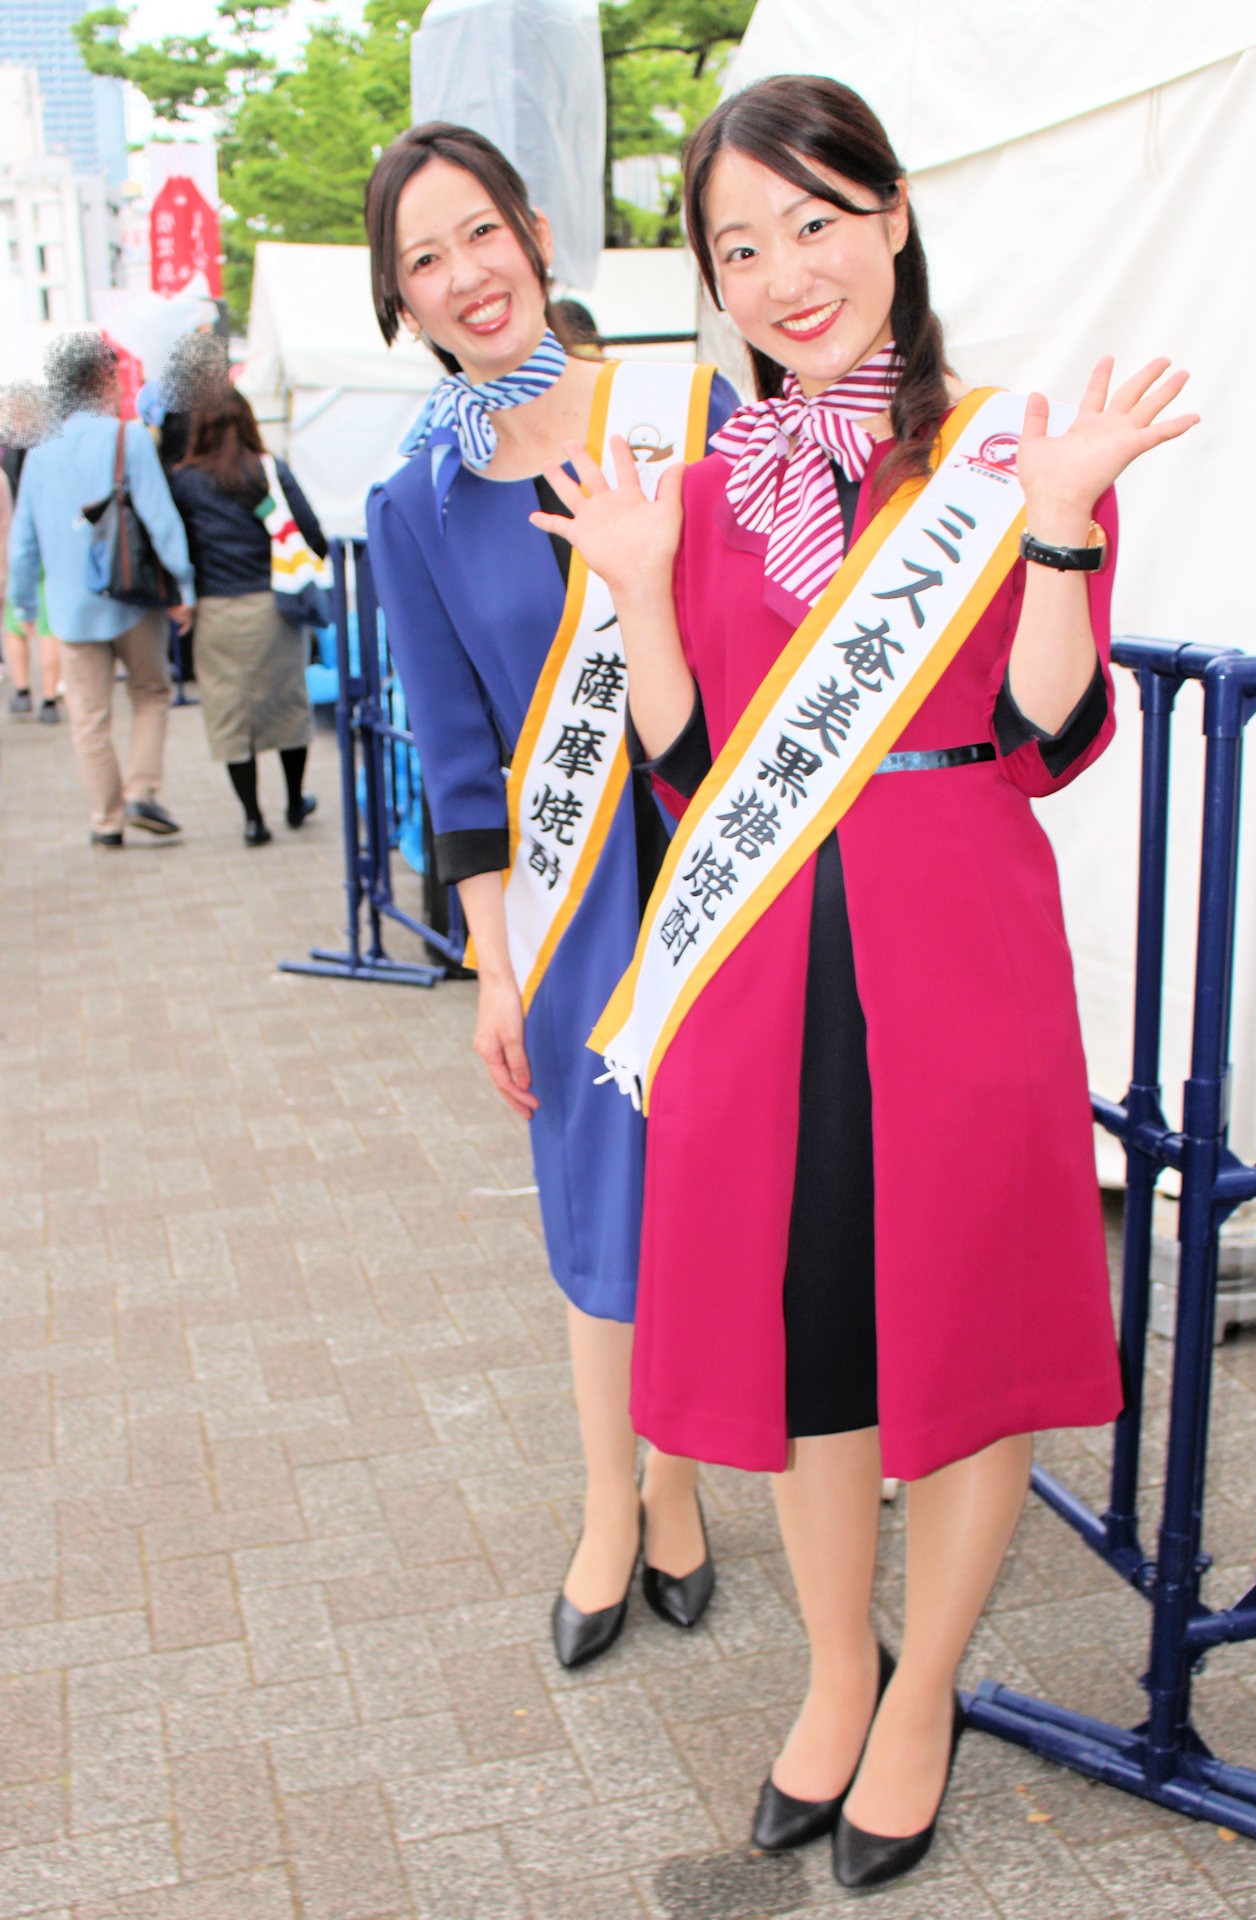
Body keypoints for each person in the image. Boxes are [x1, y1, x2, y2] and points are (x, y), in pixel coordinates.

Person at [533, 75, 1197, 1888]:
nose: (780, 274)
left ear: (893, 215)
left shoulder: (999, 451)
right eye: (736, 248)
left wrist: (1060, 531)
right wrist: (648, 593)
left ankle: (930, 1701)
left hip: (957, 938)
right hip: (766, 962)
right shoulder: (714, 484)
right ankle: (842, 1674)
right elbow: (686, 774)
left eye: (813, 223)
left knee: (959, 1345)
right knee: (811, 1329)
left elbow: (1053, 731)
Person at [362, 123, 737, 1668]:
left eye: (479, 234)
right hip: (574, 902)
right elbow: (459, 768)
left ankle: (684, 1478)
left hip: (717, 860)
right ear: (405, 303)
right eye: (424, 262)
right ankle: (610, 1500)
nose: (466, 276)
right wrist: (494, 968)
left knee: (714, 1186)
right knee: (598, 1206)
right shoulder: (416, 503)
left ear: (534, 233)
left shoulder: (678, 413)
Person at [6, 335, 193, 845]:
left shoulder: (40, 451)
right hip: (133, 600)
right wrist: (185, 586)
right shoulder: (127, 438)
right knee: (152, 693)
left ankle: (106, 823)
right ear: (103, 381)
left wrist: (22, 603)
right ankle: (141, 790)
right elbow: (160, 519)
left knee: (88, 720)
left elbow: (22, 542)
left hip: (69, 610)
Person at [169, 386, 322, 845]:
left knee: (231, 717)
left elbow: (178, 548)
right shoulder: (270, 471)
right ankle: (295, 801)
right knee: (288, 709)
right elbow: (313, 534)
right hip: (275, 609)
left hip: (216, 613)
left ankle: (253, 818)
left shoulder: (184, 480)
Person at [1, 383, 62, 723]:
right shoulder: (50, 447)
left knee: (16, 621)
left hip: (14, 548)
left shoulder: (7, 451)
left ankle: (23, 690)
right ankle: (50, 699)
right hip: (48, 544)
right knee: (47, 625)